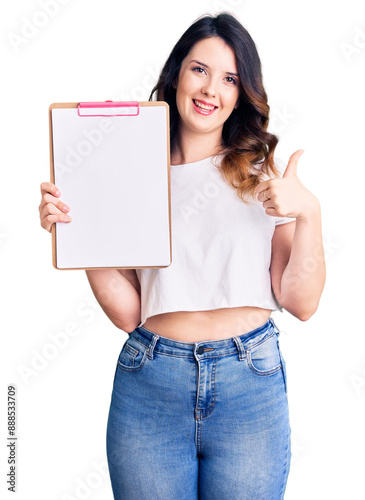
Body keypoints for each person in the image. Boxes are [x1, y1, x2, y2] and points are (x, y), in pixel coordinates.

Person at [39, 12, 326, 500]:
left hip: (249, 383)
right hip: (151, 382)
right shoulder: (128, 172)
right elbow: (130, 313)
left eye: (230, 78)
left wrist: (310, 214)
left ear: (241, 94)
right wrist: (79, 232)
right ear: (176, 75)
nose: (211, 88)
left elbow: (301, 302)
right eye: (200, 70)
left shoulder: (261, 175)